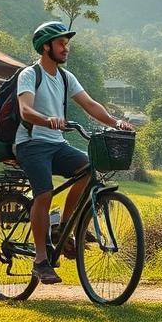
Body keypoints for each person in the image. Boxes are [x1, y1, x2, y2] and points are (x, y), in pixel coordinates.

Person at [15, 21, 135, 284]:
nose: (65, 48)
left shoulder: (66, 78)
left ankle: (61, 227)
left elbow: (91, 104)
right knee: (44, 193)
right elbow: (25, 110)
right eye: (61, 43)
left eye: (66, 44)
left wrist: (115, 122)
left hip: (56, 144)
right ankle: (40, 260)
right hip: (31, 144)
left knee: (87, 169)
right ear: (46, 46)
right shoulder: (29, 75)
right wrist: (47, 120)